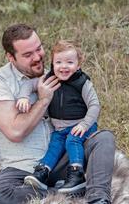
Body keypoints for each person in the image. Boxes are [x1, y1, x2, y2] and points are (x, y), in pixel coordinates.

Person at [0, 24, 115, 204]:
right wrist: (43, 100)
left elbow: (88, 106)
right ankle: (68, 193)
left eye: (39, 49)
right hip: (21, 171)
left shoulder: (54, 75)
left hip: (60, 160)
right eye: (28, 55)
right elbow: (15, 132)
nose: (37, 57)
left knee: (104, 138)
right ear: (10, 57)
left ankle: (98, 199)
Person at [17, 40, 100, 194]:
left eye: (69, 62)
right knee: (55, 144)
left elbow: (95, 105)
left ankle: (77, 174)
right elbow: (28, 85)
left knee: (72, 139)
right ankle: (43, 172)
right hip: (60, 128)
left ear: (78, 65)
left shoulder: (82, 82)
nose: (63, 66)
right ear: (53, 64)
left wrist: (84, 124)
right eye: (59, 62)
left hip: (82, 125)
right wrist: (23, 97)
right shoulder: (50, 78)